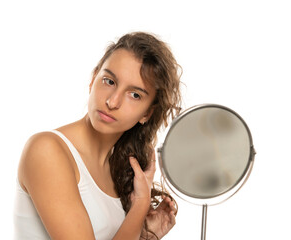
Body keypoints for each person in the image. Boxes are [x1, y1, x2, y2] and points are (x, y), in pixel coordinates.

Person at [13, 32, 182, 240]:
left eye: (135, 95)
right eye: (109, 81)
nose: (112, 101)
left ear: (147, 113)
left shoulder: (120, 170)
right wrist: (139, 206)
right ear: (93, 79)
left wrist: (147, 234)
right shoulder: (46, 150)